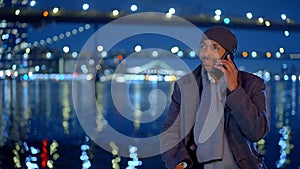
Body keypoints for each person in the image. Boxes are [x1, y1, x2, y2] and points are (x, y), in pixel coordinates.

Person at [160, 26, 270, 169]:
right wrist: (179, 163)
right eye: (203, 47)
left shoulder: (252, 85)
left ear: (228, 55)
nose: (206, 53)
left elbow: (257, 132)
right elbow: (170, 132)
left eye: (215, 48)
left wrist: (235, 89)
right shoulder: (185, 86)